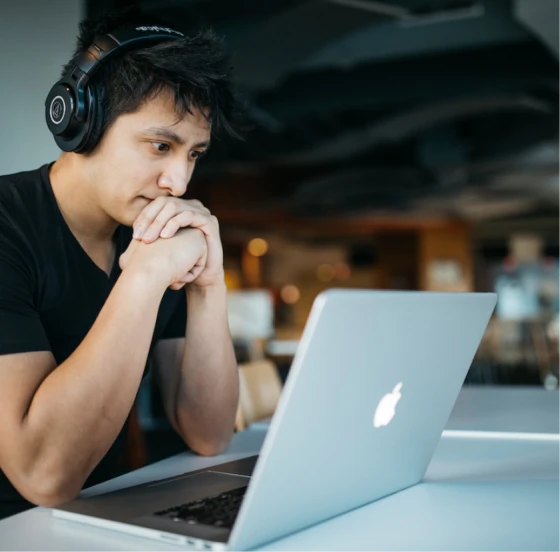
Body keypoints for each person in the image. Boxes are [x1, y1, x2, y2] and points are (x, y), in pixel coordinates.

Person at [0, 7, 244, 520]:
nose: (178, 183)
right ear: (81, 122)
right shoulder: (8, 228)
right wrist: (147, 275)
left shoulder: (154, 234)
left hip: (102, 520)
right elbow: (42, 475)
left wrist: (208, 285)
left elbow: (209, 433)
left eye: (193, 155)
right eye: (161, 145)